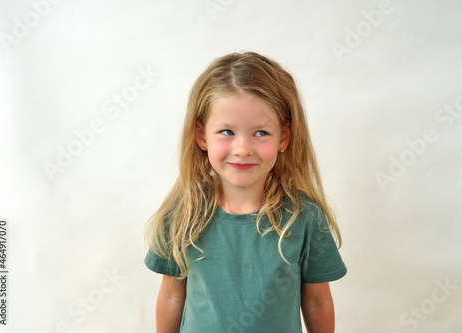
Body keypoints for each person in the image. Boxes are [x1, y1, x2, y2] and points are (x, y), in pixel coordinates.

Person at [144, 51, 347, 333]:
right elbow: (171, 295)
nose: (242, 148)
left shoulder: (305, 218)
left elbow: (316, 302)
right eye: (227, 131)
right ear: (201, 136)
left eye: (260, 133)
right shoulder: (181, 215)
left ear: (284, 137)